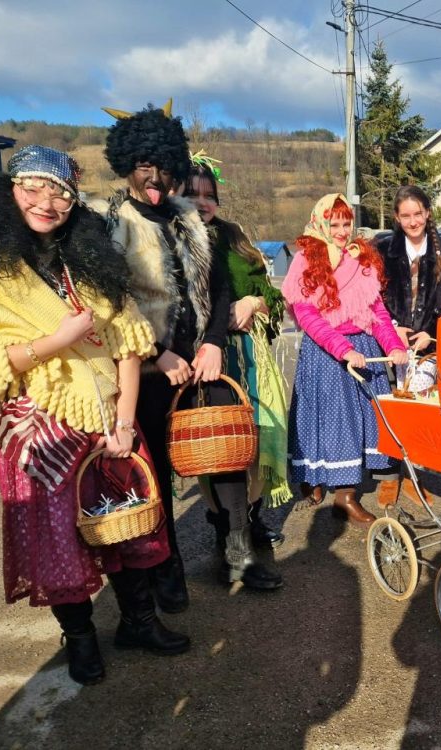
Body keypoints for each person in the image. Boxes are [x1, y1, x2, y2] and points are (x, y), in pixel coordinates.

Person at [0, 146, 189, 685]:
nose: (46, 202)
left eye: (61, 194)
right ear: (10, 190)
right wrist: (58, 340)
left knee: (127, 524)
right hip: (36, 426)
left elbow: (128, 344)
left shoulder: (89, 259)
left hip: (108, 417)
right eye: (33, 187)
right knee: (57, 540)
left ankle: (139, 623)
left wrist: (125, 422)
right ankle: (79, 639)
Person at [93, 104, 280, 604]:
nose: (155, 178)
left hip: (202, 362)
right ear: (128, 166)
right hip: (145, 371)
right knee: (155, 472)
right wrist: (158, 354)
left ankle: (238, 555)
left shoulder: (190, 220)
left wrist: (213, 342)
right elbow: (112, 304)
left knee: (227, 458)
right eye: (144, 166)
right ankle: (166, 567)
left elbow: (219, 290)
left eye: (163, 167)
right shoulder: (110, 224)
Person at [183, 160, 292, 553]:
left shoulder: (235, 238)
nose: (202, 203)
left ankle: (252, 517)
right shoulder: (172, 240)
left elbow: (273, 296)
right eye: (192, 194)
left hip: (251, 360)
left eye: (209, 196)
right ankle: (226, 532)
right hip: (207, 363)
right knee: (219, 448)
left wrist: (253, 302)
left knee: (257, 441)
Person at [282, 193, 408, 526]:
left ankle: (345, 494)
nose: (341, 231)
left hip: (363, 349)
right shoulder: (305, 260)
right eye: (334, 224)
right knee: (332, 420)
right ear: (320, 223)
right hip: (327, 353)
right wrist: (343, 349)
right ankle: (316, 480)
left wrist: (394, 346)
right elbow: (308, 316)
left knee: (364, 421)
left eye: (346, 223)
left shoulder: (361, 258)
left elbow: (377, 313)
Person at [378, 185, 441, 350]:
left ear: (427, 212)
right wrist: (392, 328)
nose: (413, 223)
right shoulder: (382, 253)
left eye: (418, 214)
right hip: (391, 345)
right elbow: (374, 302)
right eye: (405, 216)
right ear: (397, 217)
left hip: (433, 348)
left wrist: (431, 333)